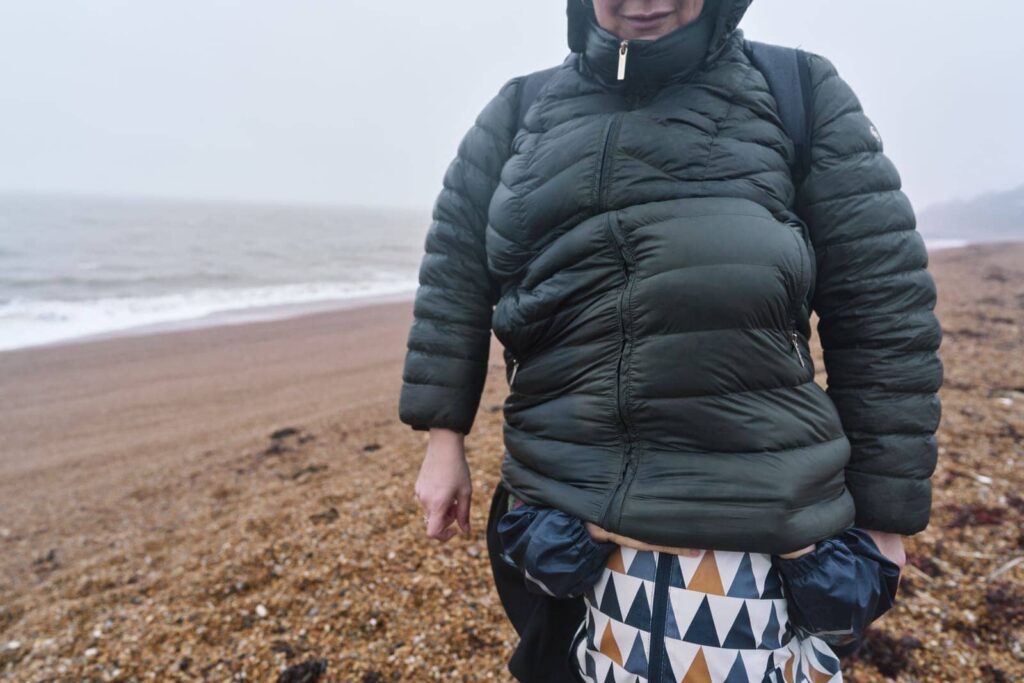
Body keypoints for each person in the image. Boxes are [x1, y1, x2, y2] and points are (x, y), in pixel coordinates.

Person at [399, 0, 942, 680]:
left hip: (755, 529)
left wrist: (887, 519)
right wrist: (443, 436)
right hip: (556, 515)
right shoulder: (519, 111)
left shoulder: (797, 93)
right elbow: (455, 271)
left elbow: (883, 307)